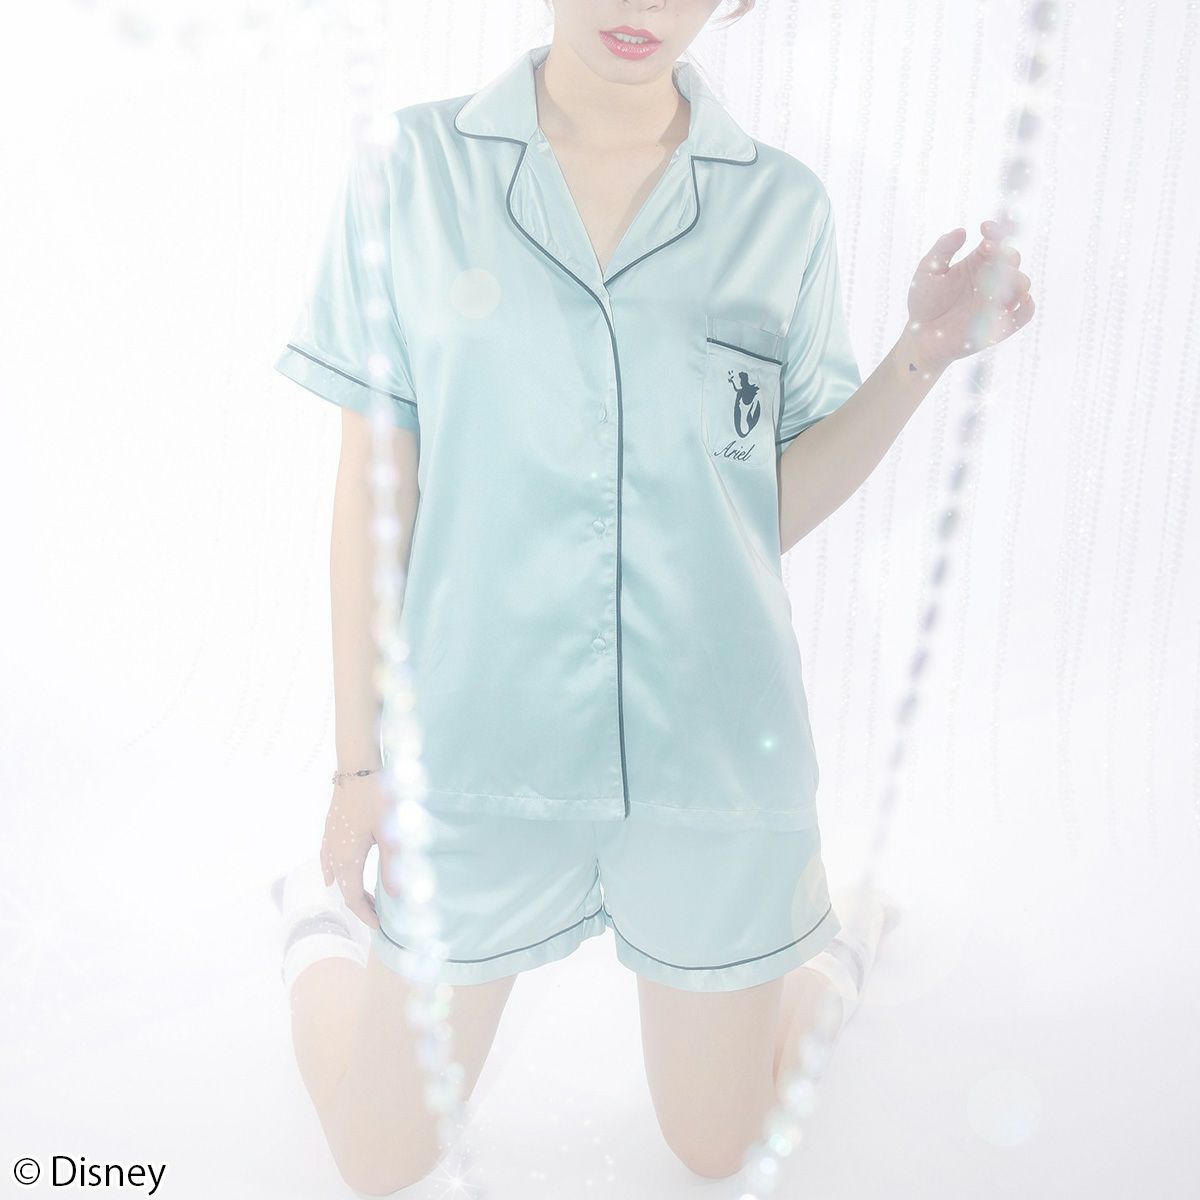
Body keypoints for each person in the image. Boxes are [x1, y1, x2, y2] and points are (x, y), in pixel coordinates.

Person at [269, 1, 1036, 1193]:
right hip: (477, 755)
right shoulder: (411, 173)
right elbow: (376, 495)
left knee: (720, 1148)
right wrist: (358, 771)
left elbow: (754, 513)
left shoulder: (780, 208)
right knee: (380, 1162)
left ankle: (839, 946)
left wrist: (920, 357)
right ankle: (315, 936)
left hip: (709, 760)